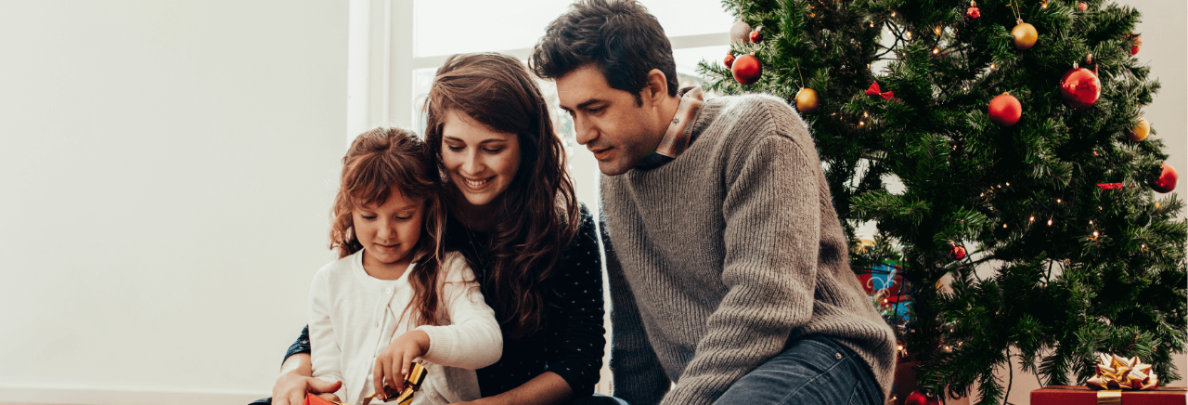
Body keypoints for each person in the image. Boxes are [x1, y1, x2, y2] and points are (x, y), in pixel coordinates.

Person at [529, 1, 898, 404]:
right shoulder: (615, 180)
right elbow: (634, 335)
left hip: (823, 352)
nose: (581, 134)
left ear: (652, 88)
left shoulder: (758, 129)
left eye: (595, 109)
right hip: (725, 384)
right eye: (571, 113)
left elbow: (767, 300)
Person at [267, 53, 611, 405]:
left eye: (492, 148)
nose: (472, 167)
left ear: (528, 146)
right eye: (455, 146)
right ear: (437, 139)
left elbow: (579, 361)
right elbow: (342, 315)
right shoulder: (415, 209)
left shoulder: (565, 223)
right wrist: (291, 377)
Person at [309, 127, 502, 405]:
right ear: (349, 209)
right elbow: (328, 371)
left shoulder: (448, 269)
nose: (385, 232)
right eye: (369, 216)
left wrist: (423, 339)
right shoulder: (330, 281)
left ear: (427, 209)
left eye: (402, 217)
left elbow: (489, 342)